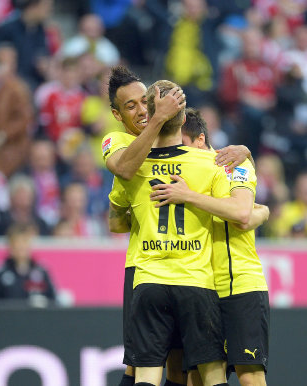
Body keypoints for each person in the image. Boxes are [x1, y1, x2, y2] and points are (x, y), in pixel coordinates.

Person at [116, 80, 243, 386]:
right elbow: (236, 212)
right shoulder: (210, 164)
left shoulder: (133, 165)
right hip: (195, 281)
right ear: (185, 119)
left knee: (145, 373)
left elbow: (117, 215)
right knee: (212, 374)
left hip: (149, 280)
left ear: (149, 113)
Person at [152, 108, 270, 386]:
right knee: (195, 377)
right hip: (198, 288)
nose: (176, 153)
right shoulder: (178, 175)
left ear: (200, 140)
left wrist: (189, 196)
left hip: (239, 284)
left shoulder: (236, 164)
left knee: (250, 376)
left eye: (182, 145)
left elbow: (242, 215)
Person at [101, 66, 187, 386]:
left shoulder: (172, 135)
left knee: (179, 362)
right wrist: (156, 121)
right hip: (144, 268)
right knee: (140, 364)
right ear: (116, 114)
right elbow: (124, 170)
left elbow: (117, 219)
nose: (140, 110)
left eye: (144, 101)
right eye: (130, 106)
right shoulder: (118, 140)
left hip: (187, 264)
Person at [0, 223, 56, 305]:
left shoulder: (42, 272)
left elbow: (54, 302)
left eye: (24, 242)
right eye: (17, 243)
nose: (21, 246)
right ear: (10, 246)